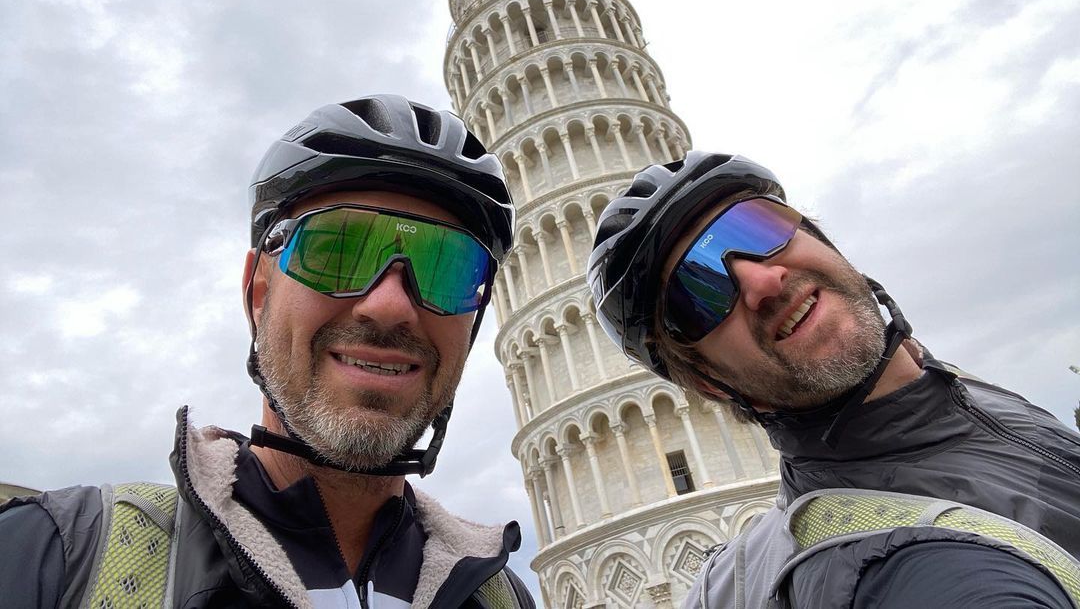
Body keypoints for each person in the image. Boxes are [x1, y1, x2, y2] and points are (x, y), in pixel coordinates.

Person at [0, 95, 535, 609]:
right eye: (338, 250)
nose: (390, 305)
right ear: (258, 294)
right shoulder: (54, 557)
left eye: (448, 268)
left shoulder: (498, 597)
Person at [587, 151, 1080, 608]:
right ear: (710, 382)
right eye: (700, 293)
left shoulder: (969, 396)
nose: (763, 282)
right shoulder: (884, 565)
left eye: (757, 229)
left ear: (818, 238)